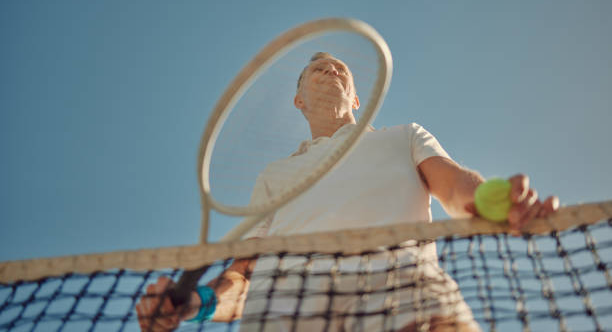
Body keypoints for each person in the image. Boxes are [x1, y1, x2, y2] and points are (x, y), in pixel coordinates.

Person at [136, 52, 559, 331]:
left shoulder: (404, 136)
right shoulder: (273, 174)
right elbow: (244, 272)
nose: (330, 69)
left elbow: (453, 186)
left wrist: (490, 200)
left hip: (405, 287)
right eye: (316, 69)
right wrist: (200, 303)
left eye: (339, 68)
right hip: (285, 309)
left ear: (357, 99)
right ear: (299, 100)